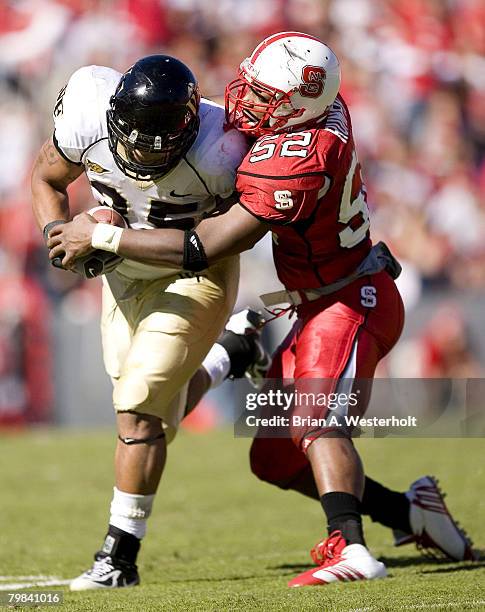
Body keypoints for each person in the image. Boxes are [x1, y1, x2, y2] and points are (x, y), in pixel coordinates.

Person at [46, 35, 476, 587]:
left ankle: (352, 549)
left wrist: (108, 236)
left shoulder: (297, 157)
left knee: (316, 421)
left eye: (263, 94)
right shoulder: (312, 114)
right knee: (274, 461)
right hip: (311, 298)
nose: (246, 99)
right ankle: (411, 513)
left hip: (349, 297)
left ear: (296, 108)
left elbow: (205, 247)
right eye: (252, 82)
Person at [31, 54, 251, 590]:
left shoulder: (224, 148)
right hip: (120, 276)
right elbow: (45, 178)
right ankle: (230, 356)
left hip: (194, 274)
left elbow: (213, 245)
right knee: (150, 411)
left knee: (137, 413)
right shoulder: (87, 105)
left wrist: (104, 235)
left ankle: (118, 558)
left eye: (158, 145)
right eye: (130, 141)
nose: (138, 156)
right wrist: (63, 237)